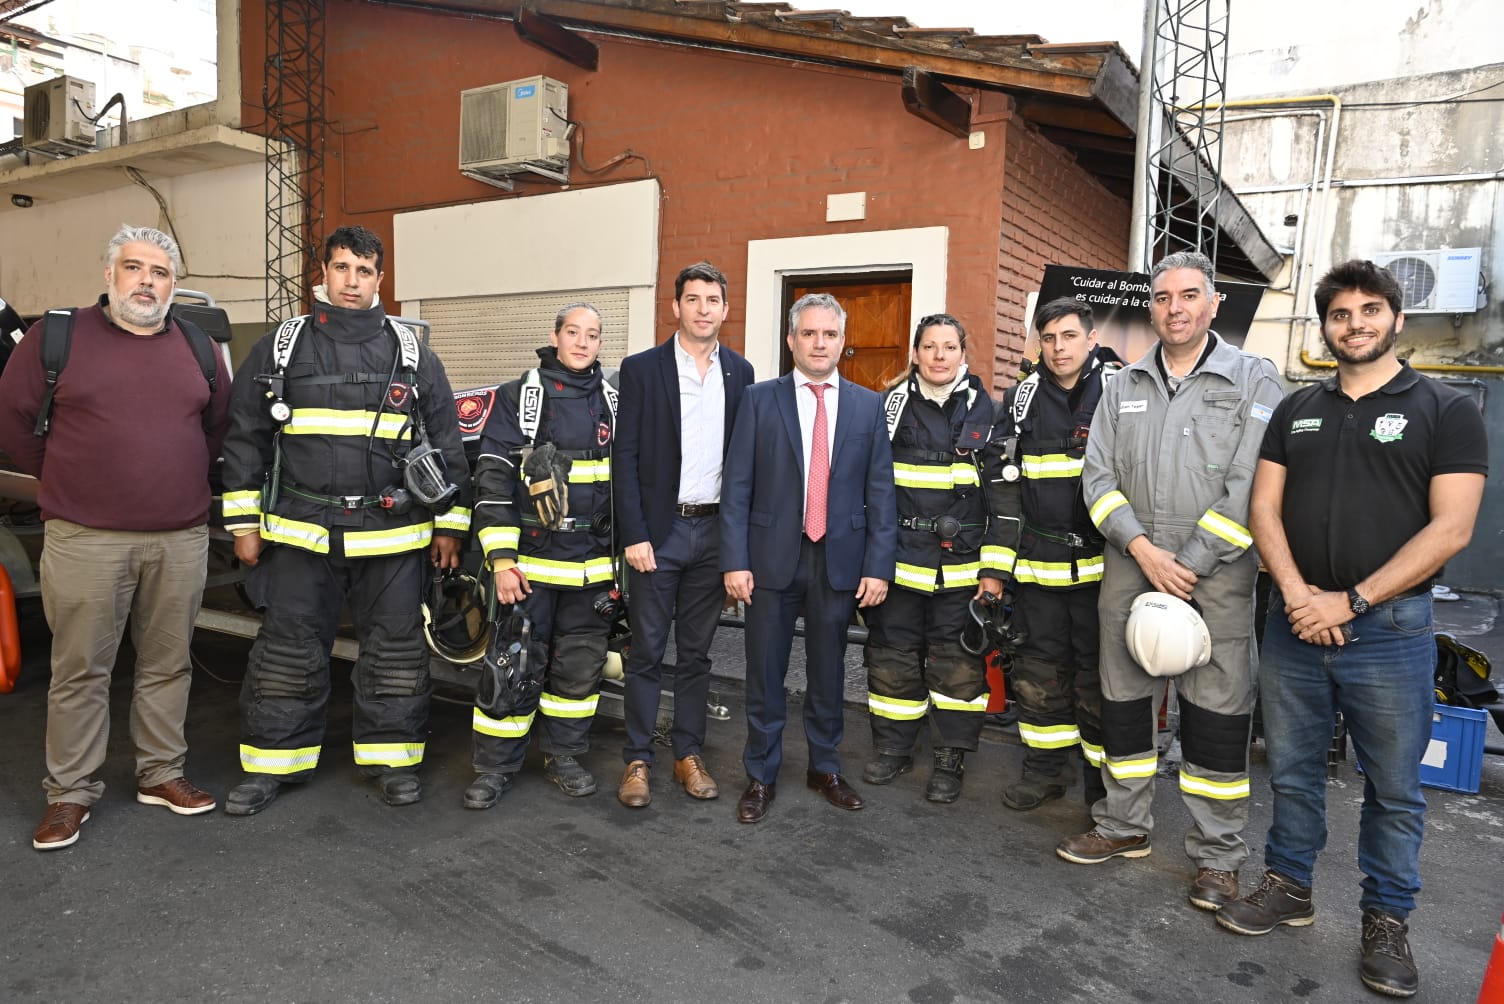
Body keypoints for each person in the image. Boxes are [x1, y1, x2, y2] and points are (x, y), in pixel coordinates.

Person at [1216, 260, 1486, 999]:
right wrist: (1301, 595)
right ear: (1326, 326)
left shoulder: (1445, 408)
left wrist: (1352, 600)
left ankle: (1387, 919)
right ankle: (1289, 885)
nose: (1355, 323)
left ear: (1396, 319)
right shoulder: (1297, 407)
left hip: (1391, 632)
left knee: (1395, 790)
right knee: (1294, 773)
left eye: (1370, 310)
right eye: (1340, 313)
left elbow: (1453, 527)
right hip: (1295, 628)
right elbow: (1264, 510)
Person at [1058, 251, 1284, 917]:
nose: (1175, 307)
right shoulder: (1121, 383)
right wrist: (1143, 550)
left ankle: (1217, 857)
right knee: (1123, 699)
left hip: (1215, 571)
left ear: (1214, 304)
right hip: (1133, 561)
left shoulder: (1254, 379)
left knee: (1215, 712)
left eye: (1189, 295)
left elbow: (1252, 485)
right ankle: (1123, 825)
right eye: (1162, 297)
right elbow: (1096, 480)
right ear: (1149, 308)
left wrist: (1189, 559)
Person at [219, 225, 470, 815]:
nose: (351, 281)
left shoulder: (413, 353)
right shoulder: (281, 347)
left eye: (363, 271)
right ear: (323, 274)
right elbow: (245, 440)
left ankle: (392, 761)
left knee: (395, 651)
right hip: (302, 533)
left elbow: (448, 444)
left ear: (380, 279)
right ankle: (273, 765)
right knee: (288, 650)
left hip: (394, 535)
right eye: (341, 268)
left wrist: (451, 527)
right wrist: (244, 525)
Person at [0, 224, 231, 850]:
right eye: (134, 268)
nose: (146, 282)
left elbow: (215, 430)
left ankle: (161, 774)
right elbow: (15, 423)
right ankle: (70, 793)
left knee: (168, 663)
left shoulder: (199, 346)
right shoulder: (59, 337)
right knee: (80, 670)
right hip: (85, 538)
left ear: (174, 284)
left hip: (179, 538)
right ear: (109, 275)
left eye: (159, 272)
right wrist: (65, 478)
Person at [720, 292, 897, 824]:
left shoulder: (868, 406)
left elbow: (881, 492)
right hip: (771, 558)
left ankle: (825, 767)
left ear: (842, 344)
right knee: (765, 673)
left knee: (828, 672)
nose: (819, 343)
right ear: (792, 340)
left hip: (839, 561)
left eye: (830, 334)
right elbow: (737, 487)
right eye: (809, 333)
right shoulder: (759, 399)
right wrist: (734, 560)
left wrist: (877, 566)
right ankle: (761, 774)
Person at [462, 303, 618, 808]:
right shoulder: (520, 397)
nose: (582, 343)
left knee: (579, 671)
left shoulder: (614, 401)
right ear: (555, 336)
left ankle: (564, 756)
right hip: (528, 570)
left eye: (592, 335)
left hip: (593, 572)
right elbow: (490, 482)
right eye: (573, 332)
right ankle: (494, 767)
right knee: (513, 666)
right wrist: (502, 561)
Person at [613, 263, 755, 808]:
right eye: (692, 299)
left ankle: (687, 755)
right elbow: (623, 457)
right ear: (675, 307)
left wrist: (737, 545)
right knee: (647, 651)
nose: (702, 308)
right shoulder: (642, 369)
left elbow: (743, 465)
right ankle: (638, 760)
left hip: (713, 533)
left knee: (697, 655)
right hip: (659, 532)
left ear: (724, 309)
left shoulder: (740, 373)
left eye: (712, 300)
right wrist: (635, 533)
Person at [860, 313, 1004, 803]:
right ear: (915, 354)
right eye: (929, 347)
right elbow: (869, 489)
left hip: (961, 570)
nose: (939, 357)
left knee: (958, 667)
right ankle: (894, 748)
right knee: (891, 659)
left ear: (964, 352)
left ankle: (949, 758)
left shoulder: (990, 411)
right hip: (898, 565)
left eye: (949, 347)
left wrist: (993, 573)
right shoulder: (889, 408)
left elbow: (1005, 503)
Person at [995, 298, 1119, 811]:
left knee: (1098, 680)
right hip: (1037, 571)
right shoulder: (1020, 400)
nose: (1058, 347)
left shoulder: (1120, 391)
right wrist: (998, 569)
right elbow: (1004, 488)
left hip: (1104, 573)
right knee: (1038, 676)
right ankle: (1044, 771)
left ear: (1090, 338)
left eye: (1069, 336)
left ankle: (1100, 788)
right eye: (1048, 338)